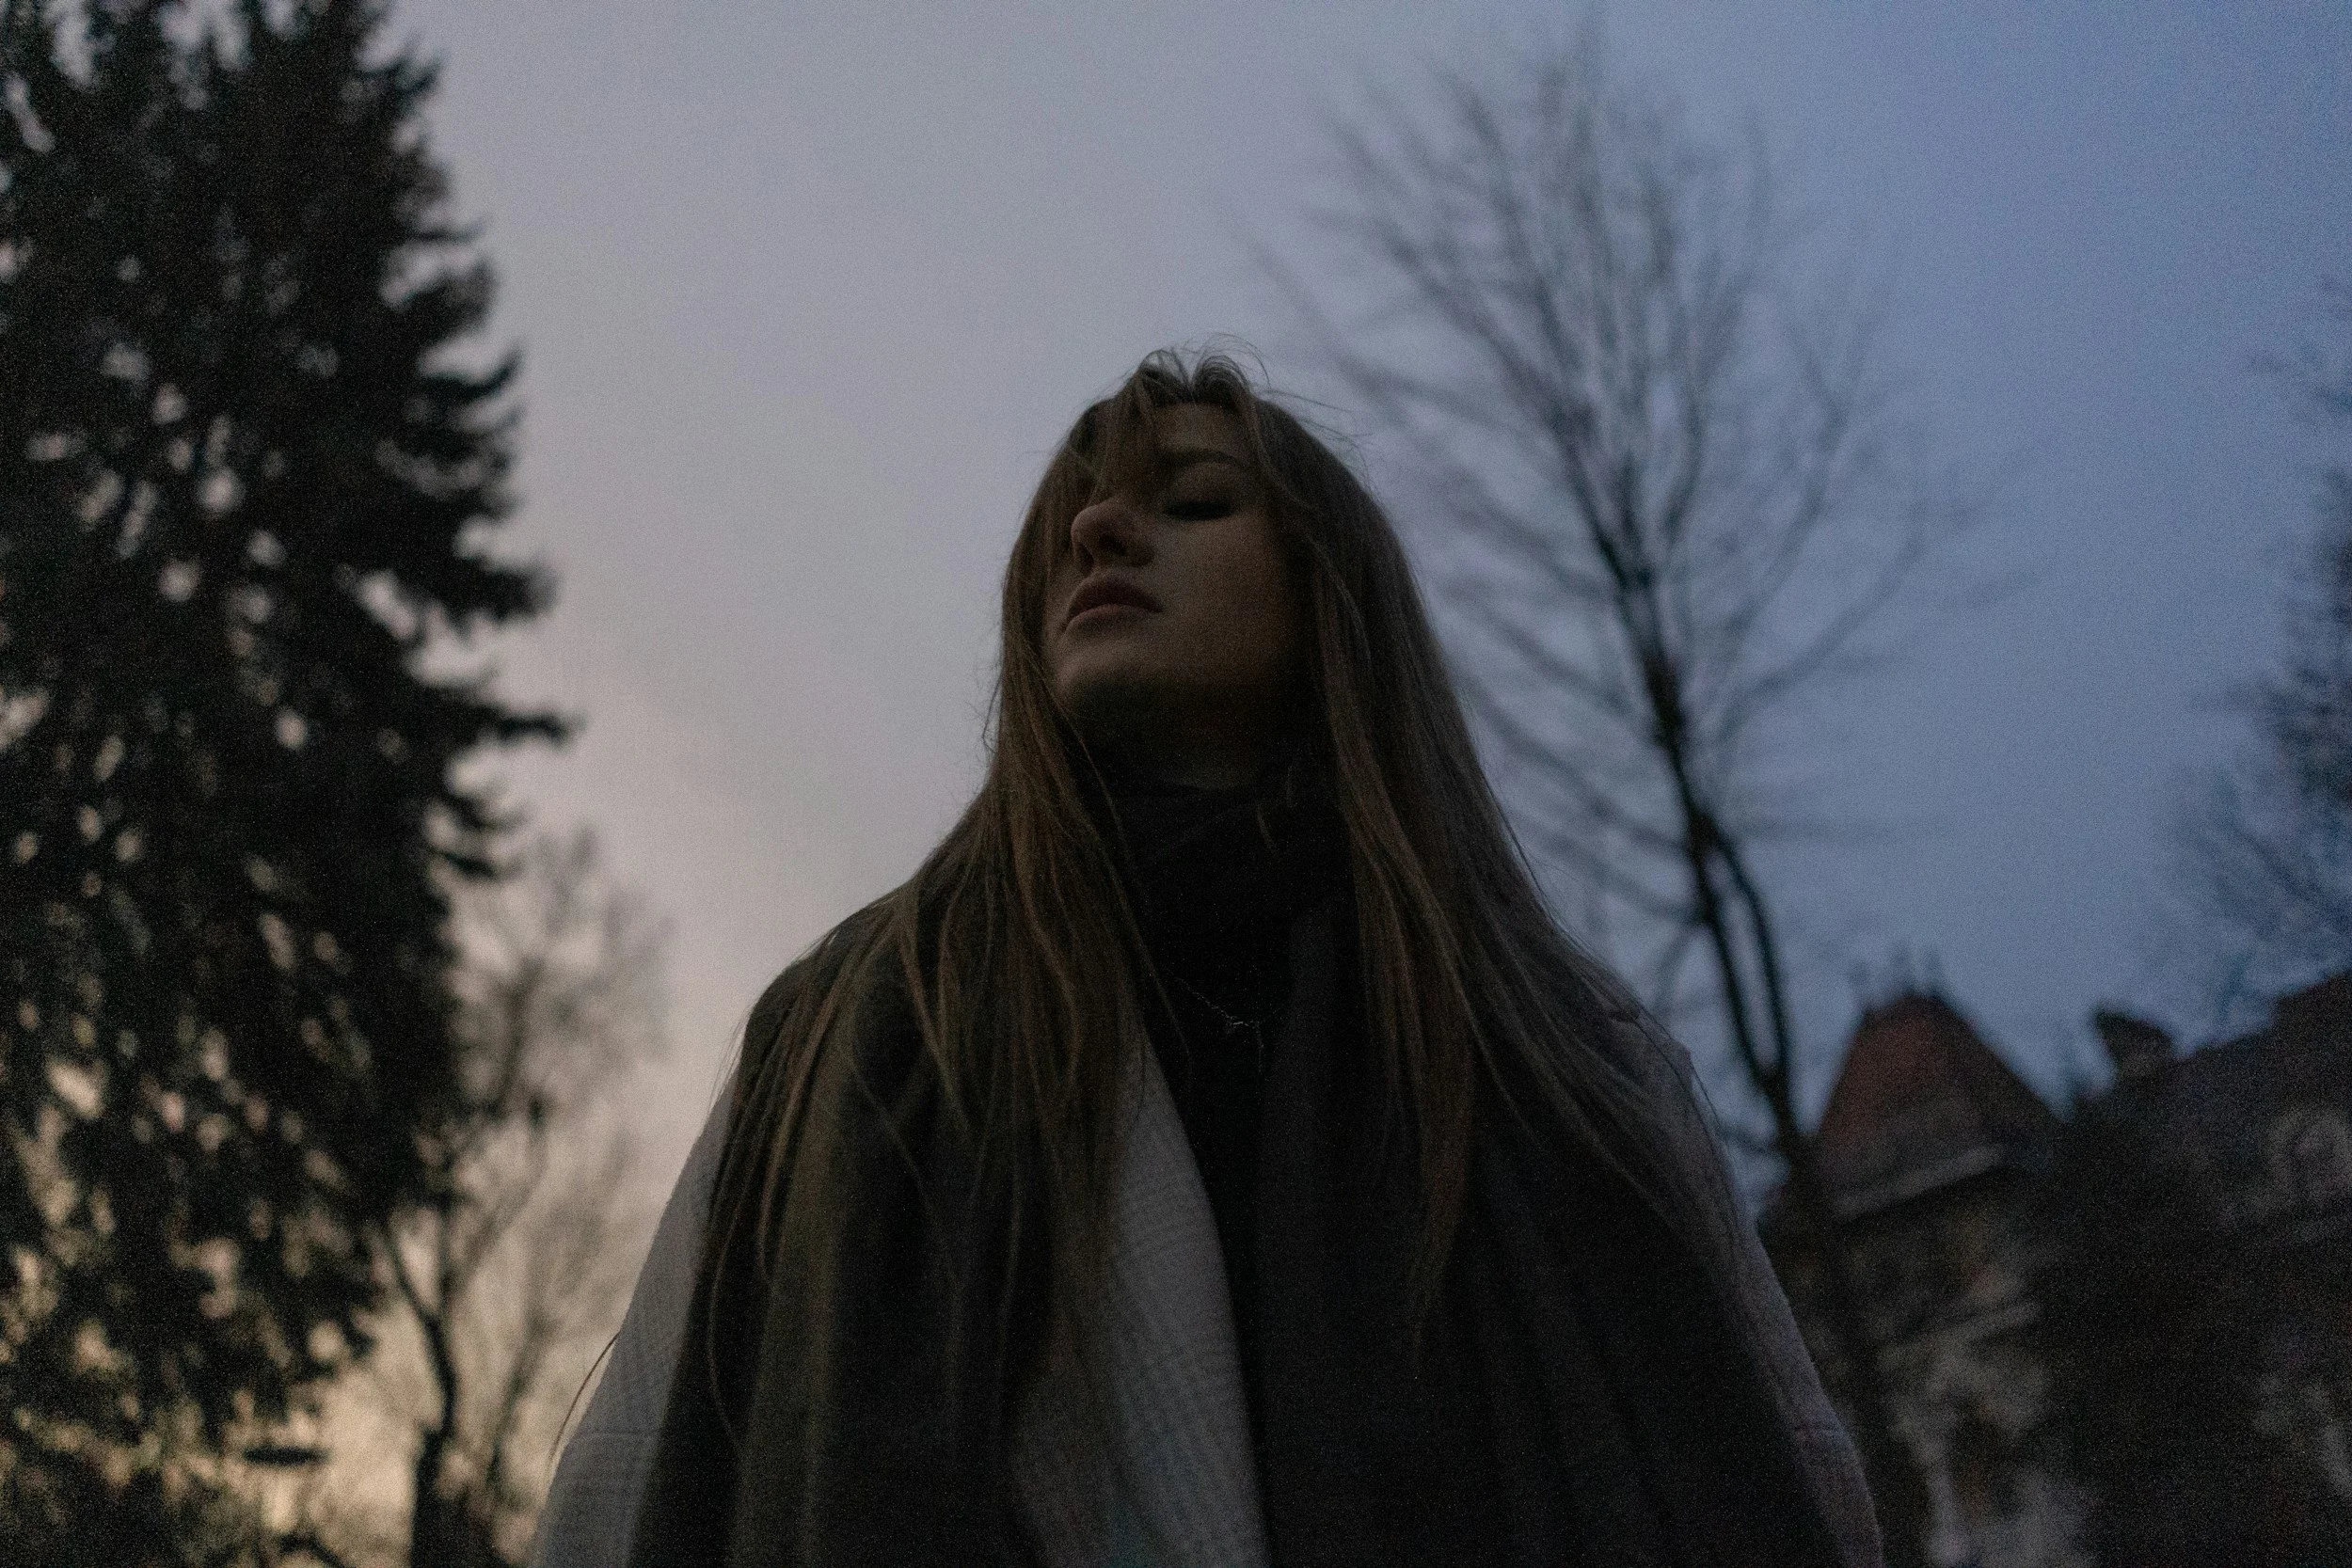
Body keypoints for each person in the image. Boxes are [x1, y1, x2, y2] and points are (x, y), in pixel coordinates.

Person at [532, 353, 1883, 1568]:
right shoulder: (848, 1032)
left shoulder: (1564, 1056)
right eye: (1078, 520)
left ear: (1332, 597)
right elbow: (622, 1489)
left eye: (1194, 502)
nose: (1098, 530)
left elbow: (1801, 1480)